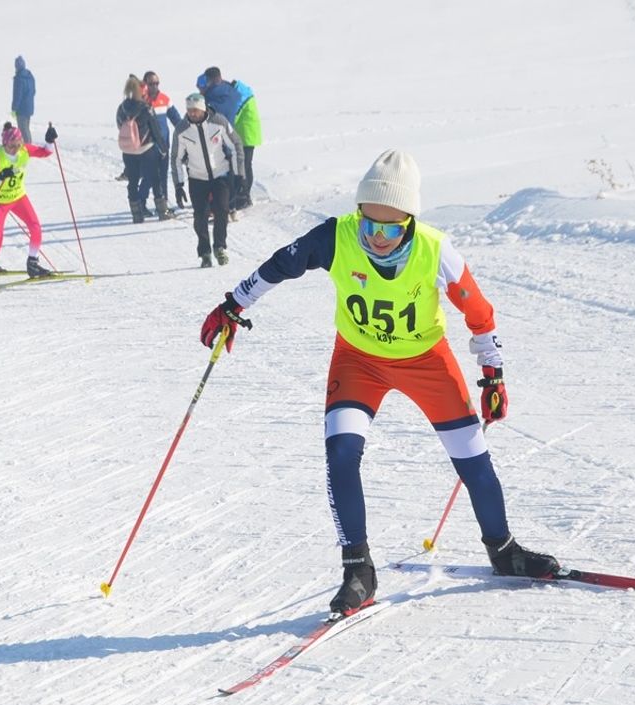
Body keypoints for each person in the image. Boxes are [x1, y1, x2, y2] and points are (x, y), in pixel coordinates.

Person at [198, 150, 559, 618]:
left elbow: (479, 313)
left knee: (473, 460)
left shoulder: (436, 250)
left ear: (408, 221)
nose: (378, 238)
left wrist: (493, 373)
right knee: (341, 454)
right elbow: (280, 265)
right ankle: (358, 571)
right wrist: (233, 305)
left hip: (426, 362)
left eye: (390, 229)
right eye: (370, 225)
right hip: (358, 360)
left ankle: (503, 549)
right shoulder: (337, 236)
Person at [0, 122, 57, 290]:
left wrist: (49, 140)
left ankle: (33, 264)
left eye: (18, 145)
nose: (15, 149)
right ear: (4, 143)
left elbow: (46, 152)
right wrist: (1, 175)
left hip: (19, 197)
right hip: (0, 202)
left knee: (36, 227)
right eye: (11, 146)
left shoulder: (24, 150)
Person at [171, 93, 244, 267]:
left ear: (203, 109)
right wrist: (179, 184)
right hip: (197, 177)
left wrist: (239, 174)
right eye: (189, 110)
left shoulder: (218, 122)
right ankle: (204, 252)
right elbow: (176, 159)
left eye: (195, 110)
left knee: (221, 210)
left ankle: (220, 247)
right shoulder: (182, 130)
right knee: (200, 215)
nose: (192, 114)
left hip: (220, 174)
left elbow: (235, 145)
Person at [199, 66, 261, 211]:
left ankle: (243, 196)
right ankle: (243, 195)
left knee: (243, 165)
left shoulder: (240, 94)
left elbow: (233, 113)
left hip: (246, 133)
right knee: (245, 164)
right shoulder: (241, 91)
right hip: (247, 132)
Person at [116, 75, 168, 224]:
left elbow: (120, 126)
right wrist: (163, 149)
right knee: (155, 178)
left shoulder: (121, 108)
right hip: (146, 149)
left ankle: (136, 214)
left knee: (132, 181)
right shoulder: (146, 107)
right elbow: (155, 130)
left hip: (128, 151)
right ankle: (162, 211)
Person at [143, 70, 182, 216]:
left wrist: (187, 132)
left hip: (164, 144)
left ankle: (163, 204)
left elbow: (176, 118)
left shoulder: (164, 99)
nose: (154, 86)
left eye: (156, 83)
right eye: (151, 83)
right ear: (145, 84)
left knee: (163, 174)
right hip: (147, 145)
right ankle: (141, 203)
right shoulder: (142, 101)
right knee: (149, 175)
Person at [11, 56, 36, 143]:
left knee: (23, 130)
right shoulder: (30, 76)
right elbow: (33, 91)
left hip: (21, 109)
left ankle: (28, 148)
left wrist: (14, 109)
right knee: (26, 129)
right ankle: (28, 146)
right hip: (29, 107)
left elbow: (17, 95)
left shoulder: (19, 78)